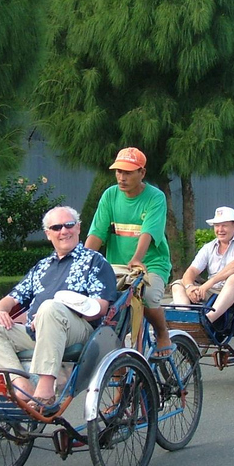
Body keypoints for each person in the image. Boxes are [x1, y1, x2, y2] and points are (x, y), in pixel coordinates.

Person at [0, 206, 117, 409]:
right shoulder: (42, 266)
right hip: (36, 332)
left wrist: (59, 308)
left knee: (50, 308)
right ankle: (20, 383)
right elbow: (12, 298)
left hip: (78, 331)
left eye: (69, 225)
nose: (63, 231)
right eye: (56, 227)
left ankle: (45, 389)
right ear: (48, 234)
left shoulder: (95, 261)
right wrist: (0, 310)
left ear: (78, 228)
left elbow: (99, 308)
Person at [85, 147, 174, 357]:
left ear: (142, 173)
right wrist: (82, 262)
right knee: (109, 313)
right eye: (118, 172)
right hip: (117, 266)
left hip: (151, 263)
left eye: (127, 172)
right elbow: (97, 233)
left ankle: (162, 333)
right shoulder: (110, 195)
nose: (121, 177)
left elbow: (148, 232)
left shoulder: (155, 197)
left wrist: (136, 258)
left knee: (149, 297)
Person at [171, 207, 234, 329]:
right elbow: (191, 270)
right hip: (213, 289)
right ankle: (185, 321)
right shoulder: (209, 247)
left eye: (224, 226)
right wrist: (189, 287)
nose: (220, 230)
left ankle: (208, 320)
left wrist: (208, 284)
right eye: (217, 226)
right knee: (178, 284)